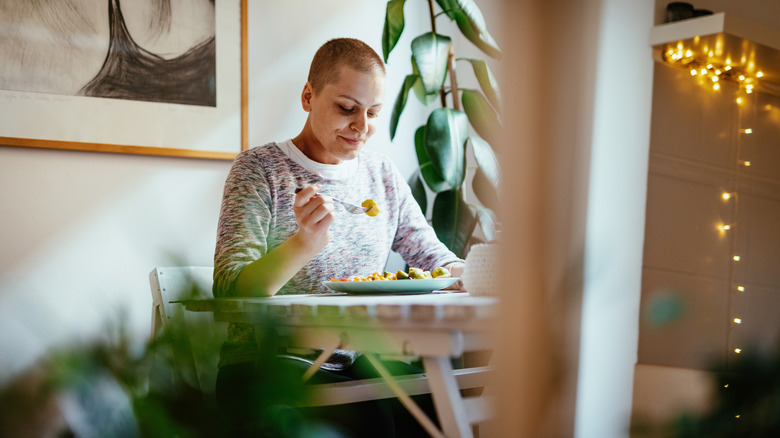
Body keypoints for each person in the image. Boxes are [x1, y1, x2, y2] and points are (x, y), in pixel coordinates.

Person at [212, 37, 465, 437]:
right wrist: (304, 244)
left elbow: (428, 252)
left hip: (359, 357)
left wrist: (462, 270)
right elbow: (230, 289)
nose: (361, 127)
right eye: (347, 108)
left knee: (438, 396)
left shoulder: (380, 173)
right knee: (381, 416)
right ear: (308, 96)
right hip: (271, 364)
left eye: (374, 112)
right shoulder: (259, 169)